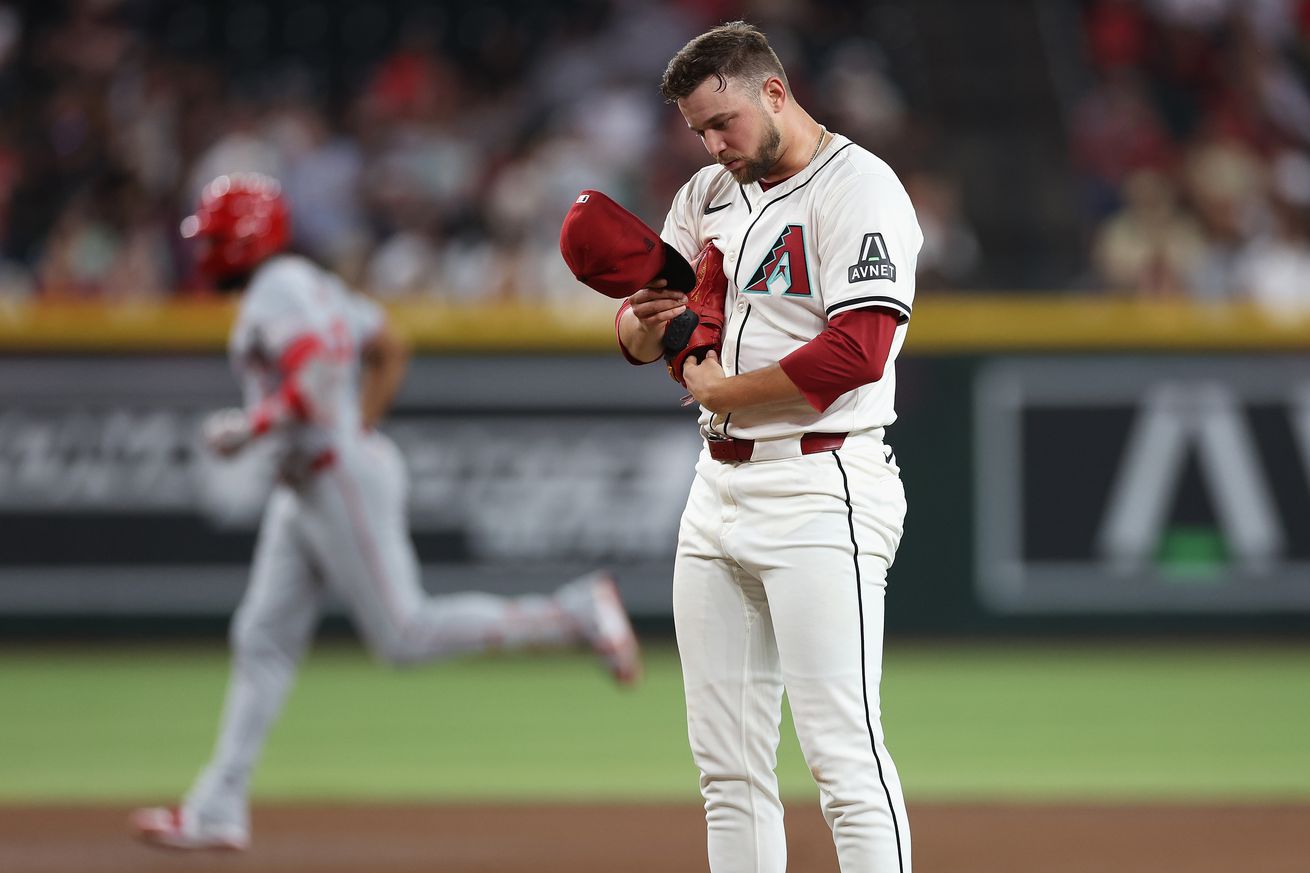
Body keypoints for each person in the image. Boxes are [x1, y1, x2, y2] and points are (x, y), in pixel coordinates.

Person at [131, 173, 642, 852]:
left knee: (404, 633)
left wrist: (253, 426)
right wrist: (358, 424)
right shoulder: (311, 284)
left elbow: (313, 379)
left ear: (248, 238)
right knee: (261, 636)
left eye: (217, 237)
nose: (206, 252)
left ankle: (574, 611)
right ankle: (218, 805)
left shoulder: (275, 291)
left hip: (332, 474)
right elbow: (387, 342)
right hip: (316, 478)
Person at [615, 23, 921, 873]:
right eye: (699, 131)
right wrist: (641, 327)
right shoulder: (708, 193)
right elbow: (650, 324)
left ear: (774, 93)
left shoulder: (860, 188)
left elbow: (857, 350)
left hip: (824, 481)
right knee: (727, 767)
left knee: (843, 760)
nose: (714, 145)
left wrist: (717, 389)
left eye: (724, 123)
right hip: (716, 492)